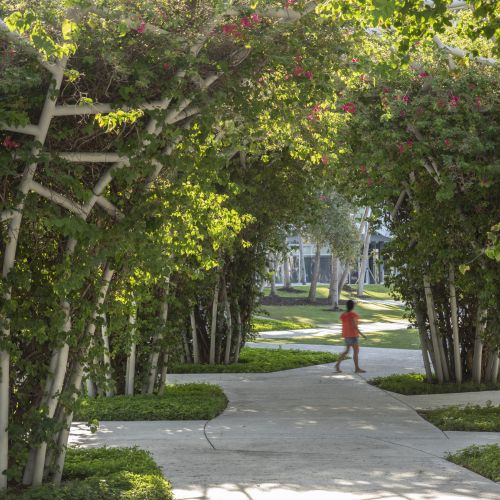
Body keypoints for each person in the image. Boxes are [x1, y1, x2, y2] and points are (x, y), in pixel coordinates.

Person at [335, 300, 367, 373]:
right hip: (353, 335)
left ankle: (337, 364)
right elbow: (354, 326)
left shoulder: (343, 314)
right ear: (353, 306)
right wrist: (362, 335)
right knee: (356, 352)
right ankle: (357, 368)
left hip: (346, 335)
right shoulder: (353, 314)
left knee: (346, 351)